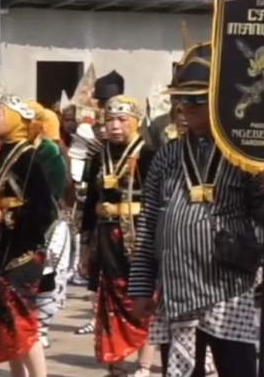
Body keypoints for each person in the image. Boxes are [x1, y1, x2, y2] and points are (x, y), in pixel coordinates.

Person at [127, 41, 264, 377]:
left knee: (237, 370)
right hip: (177, 285)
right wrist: (142, 286)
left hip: (228, 288)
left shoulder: (244, 152)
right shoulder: (166, 155)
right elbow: (148, 225)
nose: (189, 106)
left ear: (219, 100)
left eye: (199, 98)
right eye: (183, 99)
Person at [0, 94, 56, 377]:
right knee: (4, 321)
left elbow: (45, 211)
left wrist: (6, 217)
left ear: (14, 119)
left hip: (21, 254)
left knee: (21, 322)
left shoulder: (28, 157)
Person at [81, 96, 157, 377]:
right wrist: (85, 243)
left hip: (139, 234)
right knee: (108, 300)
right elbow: (90, 202)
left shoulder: (149, 154)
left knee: (142, 295)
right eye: (109, 120)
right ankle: (116, 364)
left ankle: (145, 365)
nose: (114, 126)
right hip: (105, 236)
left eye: (121, 120)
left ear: (135, 122)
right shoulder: (99, 157)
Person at [28, 102, 71, 349]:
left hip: (48, 222)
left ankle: (42, 327)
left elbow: (54, 192)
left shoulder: (52, 151)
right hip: (24, 223)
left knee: (46, 275)